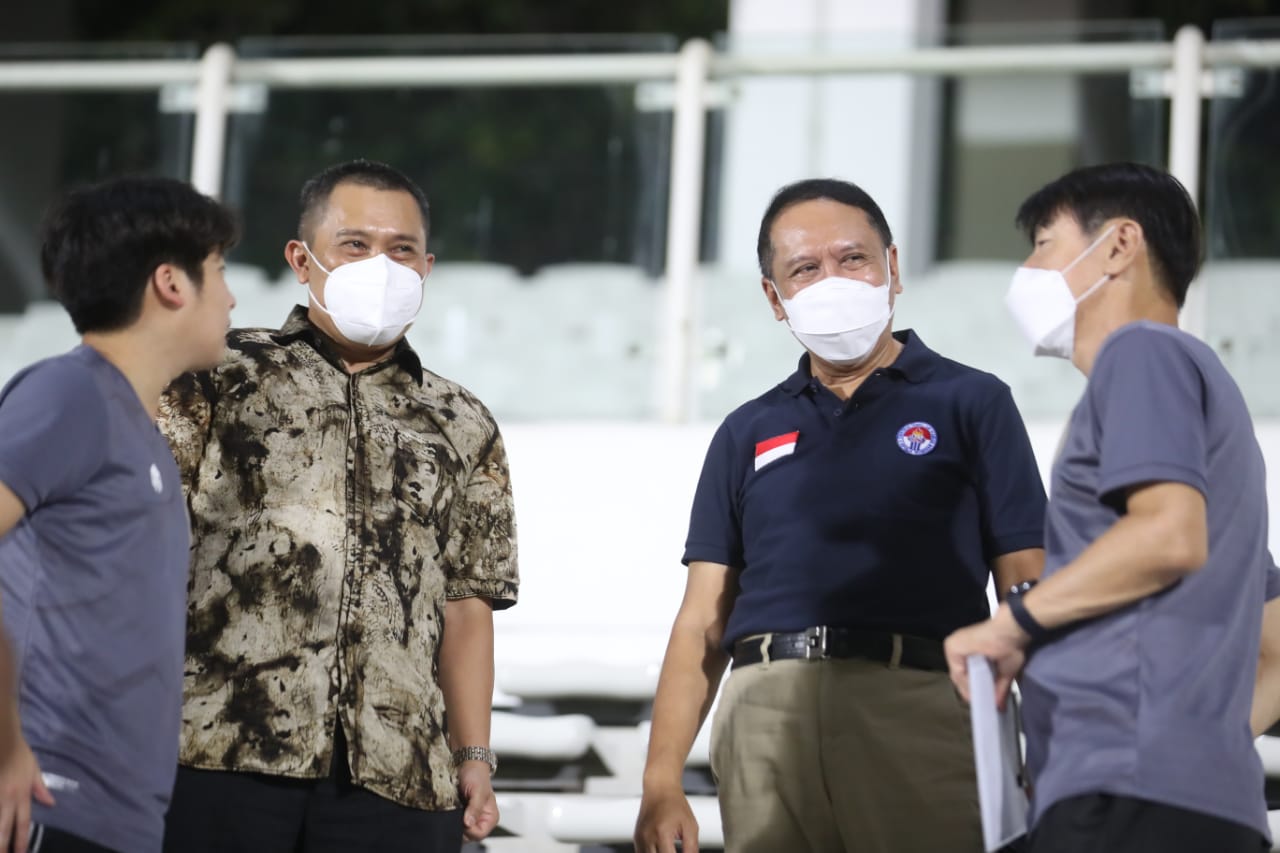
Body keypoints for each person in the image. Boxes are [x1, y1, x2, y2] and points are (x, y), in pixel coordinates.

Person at [633, 177, 1047, 853]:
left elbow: (1027, 584)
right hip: (764, 708)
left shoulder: (973, 402)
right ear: (774, 297)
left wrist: (1053, 750)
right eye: (805, 268)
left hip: (920, 702)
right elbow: (702, 619)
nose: (834, 279)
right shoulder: (746, 429)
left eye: (852, 258)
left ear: (893, 268)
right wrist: (660, 779)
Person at [157, 159, 518, 853]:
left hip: (399, 776)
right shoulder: (215, 376)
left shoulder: (463, 420)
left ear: (427, 267)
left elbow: (468, 604)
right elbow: (144, 549)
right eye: (355, 244)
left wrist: (473, 756)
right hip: (216, 753)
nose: (379, 264)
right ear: (302, 258)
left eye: (401, 249)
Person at [944, 162, 1280, 853]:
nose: (1028, 267)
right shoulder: (1208, 396)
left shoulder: (1141, 354)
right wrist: (1189, 746)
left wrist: (1012, 623)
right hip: (1199, 796)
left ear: (1120, 246)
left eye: (1043, 242)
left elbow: (1168, 536)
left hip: (1124, 798)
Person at [0, 176, 238, 853]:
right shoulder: (69, 392)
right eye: (219, 270)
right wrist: (5, 745)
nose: (231, 296)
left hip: (115, 817)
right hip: (48, 800)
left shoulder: (134, 423)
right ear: (171, 282)